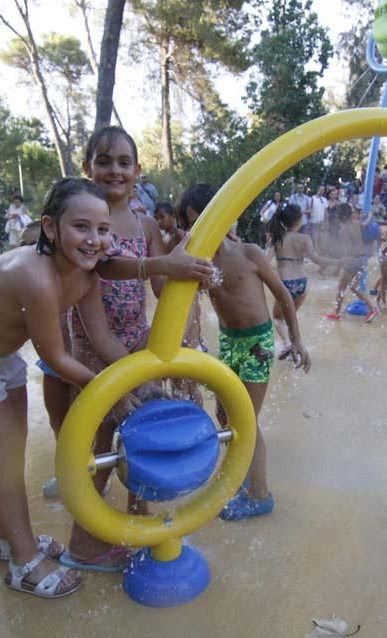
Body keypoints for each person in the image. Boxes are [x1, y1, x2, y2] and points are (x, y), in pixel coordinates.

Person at [0, 178, 209, 598]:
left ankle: (9, 539)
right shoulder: (35, 277)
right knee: (6, 458)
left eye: (102, 229)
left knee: (10, 453)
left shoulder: (83, 275)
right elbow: (56, 359)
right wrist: (117, 394)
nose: (95, 240)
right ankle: (23, 563)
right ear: (51, 228)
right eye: (81, 227)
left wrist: (138, 380)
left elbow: (103, 342)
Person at [46, 127, 193, 572]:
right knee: (100, 449)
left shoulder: (146, 224)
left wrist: (185, 303)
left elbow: (163, 285)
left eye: (124, 162)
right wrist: (163, 262)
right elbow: (110, 268)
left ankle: (138, 522)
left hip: (137, 342)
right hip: (94, 348)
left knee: (144, 438)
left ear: (138, 170)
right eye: (104, 161)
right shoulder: (87, 227)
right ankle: (84, 545)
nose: (115, 170)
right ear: (88, 167)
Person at [178, 183, 311, 520]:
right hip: (229, 342)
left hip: (257, 343)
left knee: (244, 421)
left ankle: (260, 494)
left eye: (209, 221)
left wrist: (295, 339)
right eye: (194, 225)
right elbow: (173, 298)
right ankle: (241, 475)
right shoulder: (198, 264)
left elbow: (282, 295)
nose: (203, 231)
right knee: (224, 415)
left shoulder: (248, 254)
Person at [266, 203, 338, 343]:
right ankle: (295, 346)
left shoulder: (276, 239)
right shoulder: (305, 239)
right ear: (300, 220)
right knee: (291, 319)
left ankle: (287, 344)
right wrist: (338, 262)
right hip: (301, 284)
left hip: (285, 284)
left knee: (278, 318)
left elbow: (264, 261)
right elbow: (317, 260)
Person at [325, 204, 379, 322]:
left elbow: (347, 251)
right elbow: (365, 224)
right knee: (354, 287)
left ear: (341, 216)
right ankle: (372, 308)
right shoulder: (356, 222)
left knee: (341, 288)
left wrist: (338, 267)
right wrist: (370, 216)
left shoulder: (343, 230)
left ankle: (336, 313)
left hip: (352, 260)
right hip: (362, 259)